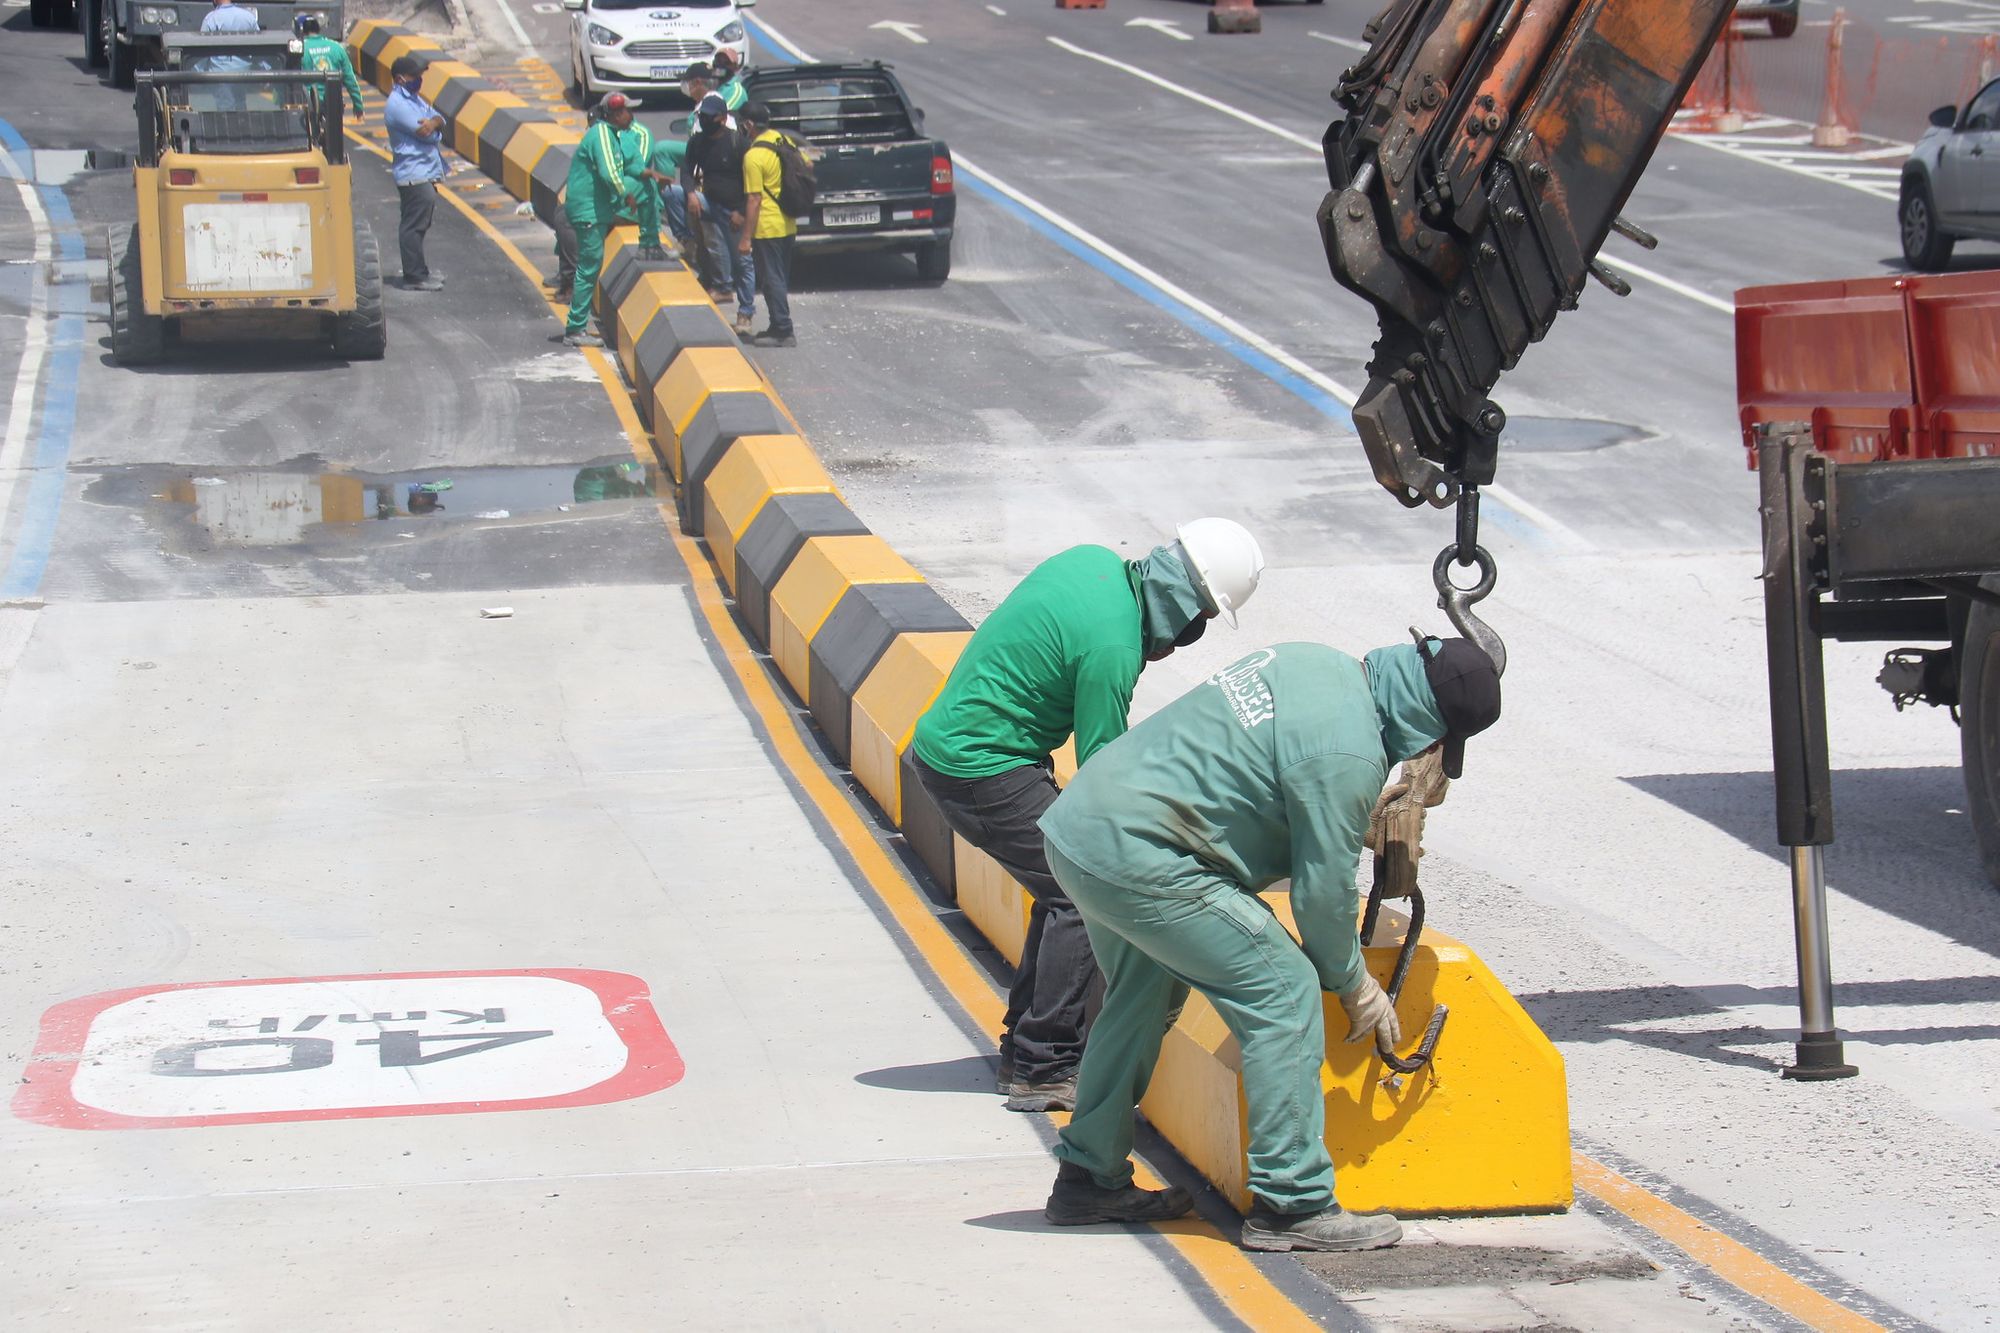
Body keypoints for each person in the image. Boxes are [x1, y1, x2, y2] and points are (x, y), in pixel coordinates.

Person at [1033, 632, 1502, 1251]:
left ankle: (1089, 1176)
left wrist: (1339, 818)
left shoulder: (1315, 662)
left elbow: (1247, 778)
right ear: (1430, 722)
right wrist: (1355, 984)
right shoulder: (1349, 756)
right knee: (1284, 991)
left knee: (1141, 995)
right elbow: (1321, 899)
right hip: (1146, 857)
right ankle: (1293, 1203)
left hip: (1084, 832)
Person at [910, 519, 1267, 1112]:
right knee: (1081, 892)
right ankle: (1044, 1066)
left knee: (1058, 884)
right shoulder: (1114, 650)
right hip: (980, 767)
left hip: (963, 748)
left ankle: (1022, 1052)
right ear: (1185, 609)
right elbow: (1104, 782)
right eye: (1192, 626)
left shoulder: (1090, 562)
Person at [561, 92, 645, 347]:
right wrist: (626, 194)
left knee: (590, 265)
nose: (631, 116)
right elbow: (610, 173)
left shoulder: (609, 135)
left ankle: (577, 325)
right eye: (628, 111)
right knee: (589, 266)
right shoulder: (602, 135)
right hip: (589, 210)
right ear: (617, 114)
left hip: (593, 209)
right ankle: (575, 328)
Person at [682, 92, 754, 334]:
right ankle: (702, 264)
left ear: (722, 119)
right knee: (673, 195)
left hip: (735, 210)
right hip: (710, 203)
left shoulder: (738, 144)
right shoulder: (698, 142)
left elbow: (753, 184)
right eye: (702, 116)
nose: (704, 120)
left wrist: (742, 212)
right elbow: (686, 170)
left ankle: (745, 312)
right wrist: (691, 193)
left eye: (709, 117)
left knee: (742, 261)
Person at [737, 101, 799, 348]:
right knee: (779, 277)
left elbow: (754, 199)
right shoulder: (783, 141)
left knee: (771, 278)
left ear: (749, 125)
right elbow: (807, 164)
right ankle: (777, 324)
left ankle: (783, 330)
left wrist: (745, 237)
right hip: (788, 223)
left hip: (767, 226)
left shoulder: (753, 156)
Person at [384, 55, 447, 291]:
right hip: (412, 172)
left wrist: (436, 124)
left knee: (421, 220)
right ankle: (414, 276)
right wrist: (434, 128)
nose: (419, 80)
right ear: (400, 79)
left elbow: (440, 119)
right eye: (414, 76)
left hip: (424, 170)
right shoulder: (397, 105)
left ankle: (420, 270)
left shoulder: (414, 99)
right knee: (413, 224)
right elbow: (427, 133)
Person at [296, 14, 364, 122]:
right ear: (318, 29)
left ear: (301, 31)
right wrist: (358, 106)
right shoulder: (336, 47)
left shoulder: (300, 50)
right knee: (335, 136)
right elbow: (350, 80)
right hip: (334, 103)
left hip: (309, 105)